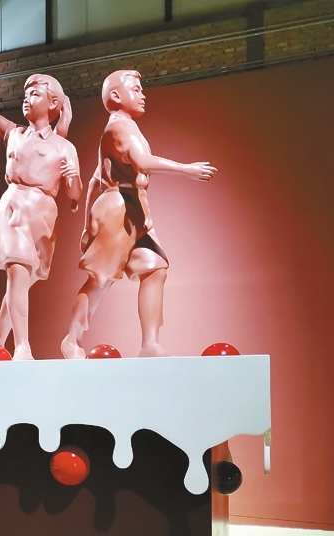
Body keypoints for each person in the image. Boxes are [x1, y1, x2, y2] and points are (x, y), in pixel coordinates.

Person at [61, 69, 217, 359]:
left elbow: (95, 179)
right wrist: (186, 169)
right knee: (101, 279)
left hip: (134, 207)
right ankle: (72, 339)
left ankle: (150, 344)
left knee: (154, 268)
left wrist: (85, 226)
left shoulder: (123, 127)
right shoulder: (120, 128)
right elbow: (142, 162)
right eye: (135, 89)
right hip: (118, 208)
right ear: (116, 96)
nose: (142, 95)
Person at [0, 56, 82, 360]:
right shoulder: (16, 133)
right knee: (18, 272)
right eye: (25, 94)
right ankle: (22, 347)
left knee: (24, 279)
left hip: (44, 215)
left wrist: (72, 178)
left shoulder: (64, 147)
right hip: (15, 206)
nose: (27, 99)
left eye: (35, 94)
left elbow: (74, 195)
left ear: (53, 102)